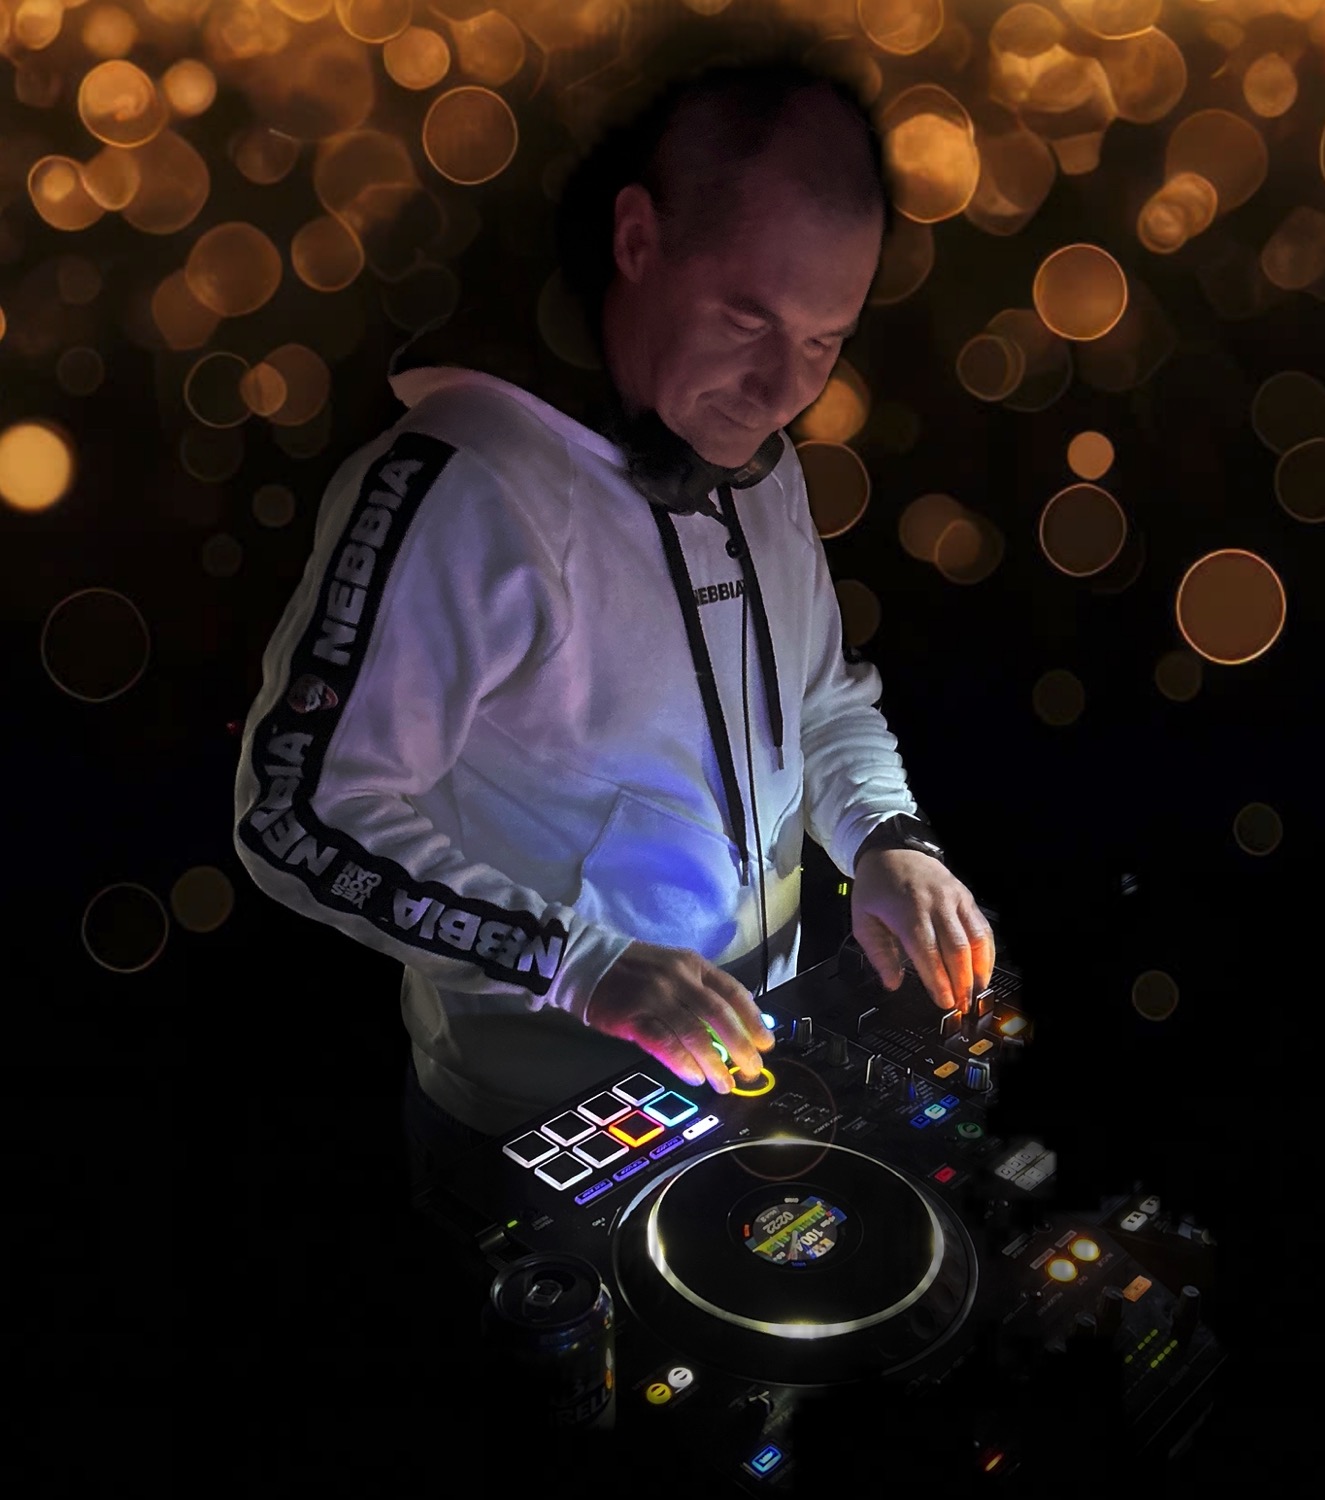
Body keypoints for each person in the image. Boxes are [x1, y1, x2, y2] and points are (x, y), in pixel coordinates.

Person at [231, 52, 995, 1189]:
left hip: (759, 1062)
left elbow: (820, 704)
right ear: (636, 240)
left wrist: (888, 840)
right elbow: (295, 815)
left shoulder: (761, 461)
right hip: (532, 1122)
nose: (782, 390)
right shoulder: (463, 483)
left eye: (823, 342)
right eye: (746, 318)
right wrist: (579, 964)